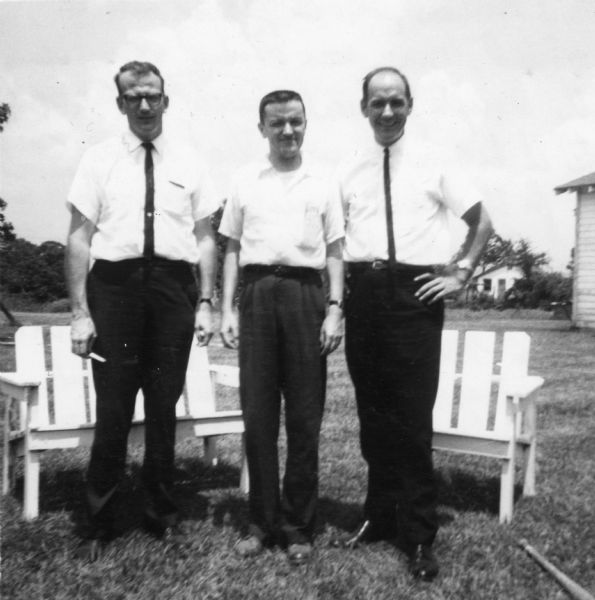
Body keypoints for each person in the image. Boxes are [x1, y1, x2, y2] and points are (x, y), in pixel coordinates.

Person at [336, 66, 493, 581]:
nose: (386, 112)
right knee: (373, 416)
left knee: (410, 418)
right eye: (377, 103)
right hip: (363, 295)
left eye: (396, 102)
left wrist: (462, 272)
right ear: (363, 108)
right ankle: (379, 518)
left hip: (414, 297)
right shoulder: (349, 170)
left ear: (409, 106)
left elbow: (481, 221)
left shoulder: (434, 163)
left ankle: (420, 536)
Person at [65, 61, 219, 560]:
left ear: (166, 100)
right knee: (113, 408)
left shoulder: (191, 161)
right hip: (115, 289)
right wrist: (79, 312)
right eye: (134, 98)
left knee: (162, 407)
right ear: (121, 104)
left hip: (174, 291)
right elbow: (79, 238)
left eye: (153, 95)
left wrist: (206, 299)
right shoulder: (99, 160)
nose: (145, 105)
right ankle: (98, 521)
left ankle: (161, 515)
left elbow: (204, 238)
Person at [219, 89, 344, 566]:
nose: (287, 131)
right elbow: (230, 247)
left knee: (305, 418)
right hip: (256, 296)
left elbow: (335, 251)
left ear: (306, 123)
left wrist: (334, 309)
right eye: (277, 124)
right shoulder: (244, 180)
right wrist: (229, 308)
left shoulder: (323, 181)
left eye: (295, 121)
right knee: (258, 417)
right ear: (262, 129)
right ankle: (261, 523)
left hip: (305, 297)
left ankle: (297, 527)